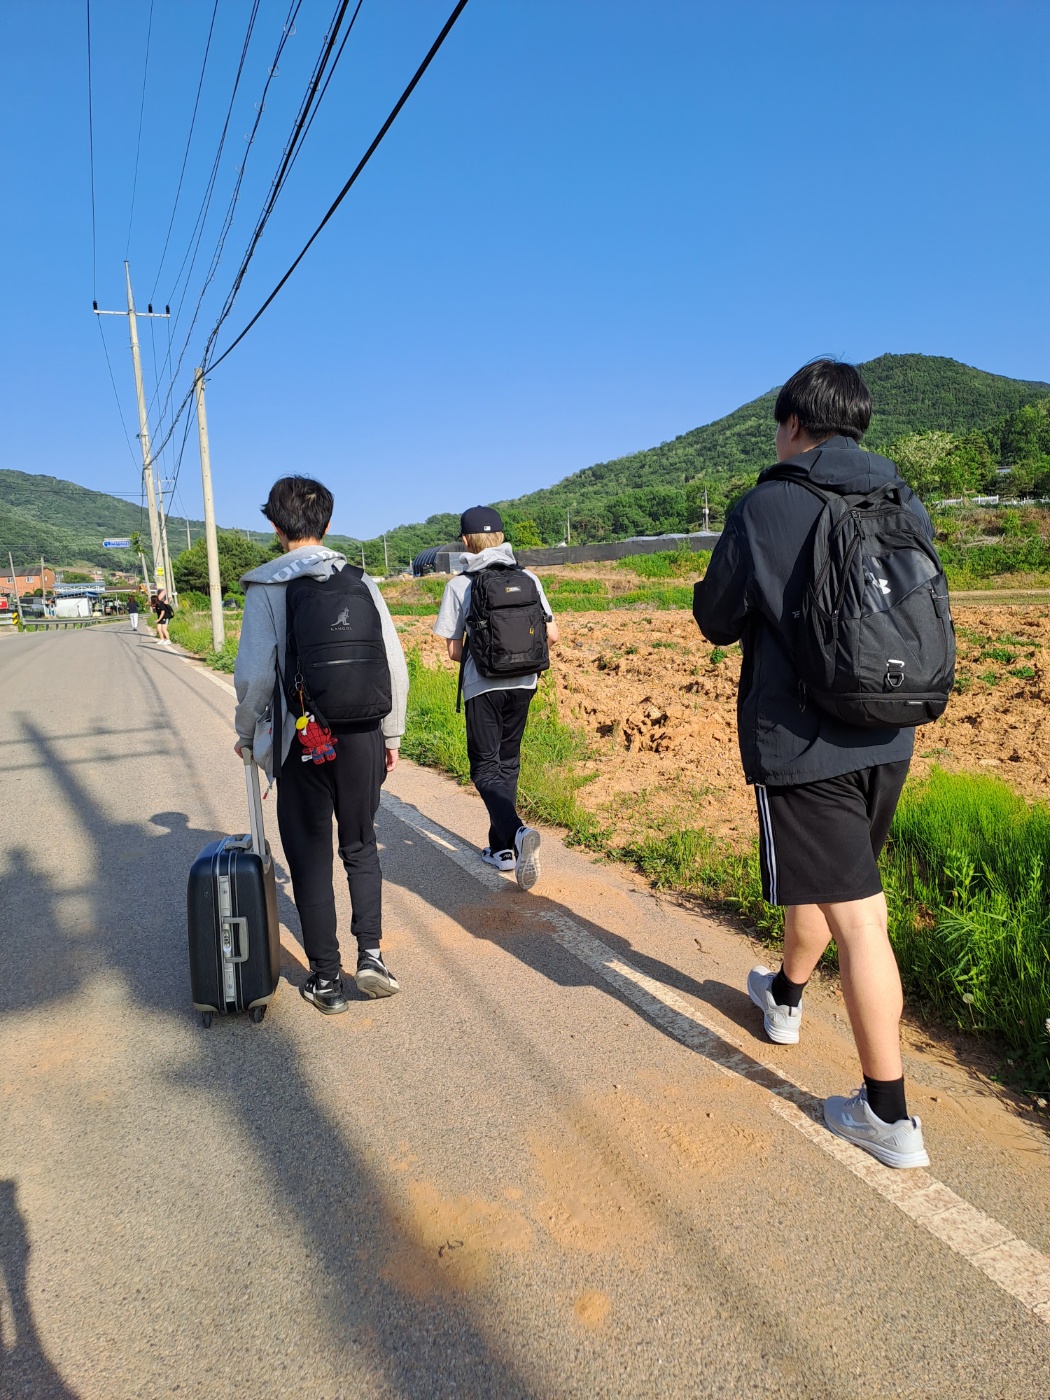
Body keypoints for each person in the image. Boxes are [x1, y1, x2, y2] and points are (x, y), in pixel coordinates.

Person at [693, 359, 933, 1169]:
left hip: (804, 744)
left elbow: (716, 619)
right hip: (889, 731)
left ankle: (888, 1116)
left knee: (861, 919)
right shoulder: (905, 500)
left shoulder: (767, 504)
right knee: (837, 885)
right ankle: (785, 996)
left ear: (795, 425)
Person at [233, 476, 409, 1015]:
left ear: (274, 526)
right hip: (362, 734)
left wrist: (246, 735)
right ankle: (373, 956)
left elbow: (255, 678)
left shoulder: (268, 588)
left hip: (301, 740)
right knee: (360, 845)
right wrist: (392, 733)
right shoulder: (360, 579)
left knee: (309, 859)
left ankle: (327, 980)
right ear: (328, 523)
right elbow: (395, 667)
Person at [433, 507, 558, 890]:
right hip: (524, 682)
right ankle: (500, 848)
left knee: (484, 768)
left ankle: (517, 836)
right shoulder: (529, 578)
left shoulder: (460, 584)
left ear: (466, 542)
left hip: (483, 684)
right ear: (502, 538)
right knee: (508, 763)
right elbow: (552, 637)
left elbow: (455, 652)